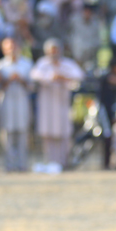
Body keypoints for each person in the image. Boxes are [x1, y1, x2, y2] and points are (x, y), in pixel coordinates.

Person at [30, 38, 83, 171]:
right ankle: (50, 162)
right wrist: (50, 77)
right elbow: (34, 75)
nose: (54, 53)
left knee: (63, 133)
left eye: (56, 50)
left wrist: (63, 76)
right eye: (51, 51)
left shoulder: (67, 63)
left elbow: (79, 75)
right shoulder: (42, 63)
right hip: (47, 104)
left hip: (62, 103)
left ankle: (63, 163)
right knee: (48, 133)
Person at [0, 37, 32, 172]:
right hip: (6, 102)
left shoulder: (27, 64)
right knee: (7, 133)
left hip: (22, 101)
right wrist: (9, 80)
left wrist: (21, 80)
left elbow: (32, 86)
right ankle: (9, 165)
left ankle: (22, 164)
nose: (12, 50)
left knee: (23, 132)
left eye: (14, 46)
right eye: (9, 47)